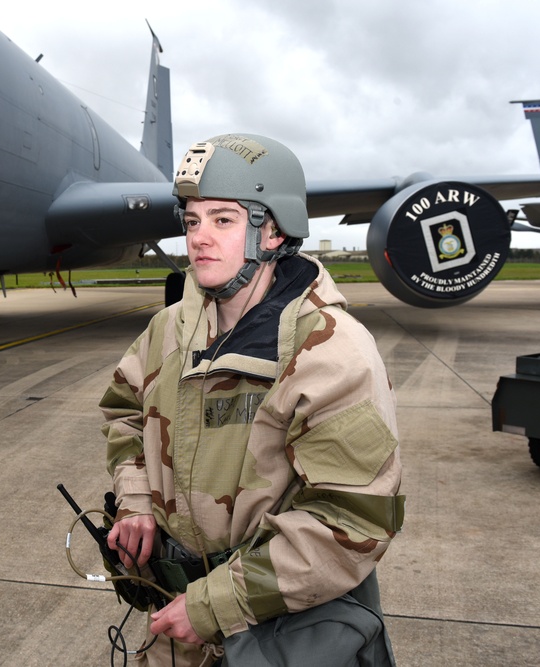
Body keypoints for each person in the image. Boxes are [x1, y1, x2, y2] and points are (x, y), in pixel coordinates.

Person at [99, 133, 403, 666]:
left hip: (272, 628)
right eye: (192, 221)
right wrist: (136, 500)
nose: (199, 239)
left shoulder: (330, 350)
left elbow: (350, 521)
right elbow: (124, 413)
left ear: (272, 232)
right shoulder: (167, 331)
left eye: (223, 220)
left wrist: (214, 605)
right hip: (174, 620)